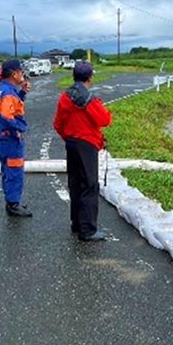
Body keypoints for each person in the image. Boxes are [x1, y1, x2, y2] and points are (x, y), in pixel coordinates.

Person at [53, 61, 112, 241]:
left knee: (75, 183)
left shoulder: (65, 97)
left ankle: (77, 224)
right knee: (90, 185)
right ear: (90, 77)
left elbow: (58, 124)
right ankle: (88, 230)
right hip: (87, 145)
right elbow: (105, 120)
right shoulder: (90, 100)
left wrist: (69, 138)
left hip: (71, 143)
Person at [0, 58, 33, 217]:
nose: (23, 74)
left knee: (7, 171)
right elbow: (7, 116)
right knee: (15, 172)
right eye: (21, 71)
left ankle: (11, 201)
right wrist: (21, 128)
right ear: (14, 74)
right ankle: (13, 205)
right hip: (11, 139)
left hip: (2, 138)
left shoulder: (2, 89)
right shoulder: (8, 93)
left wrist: (22, 93)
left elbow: (11, 107)